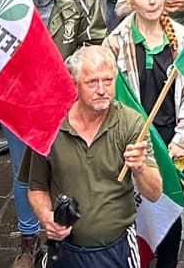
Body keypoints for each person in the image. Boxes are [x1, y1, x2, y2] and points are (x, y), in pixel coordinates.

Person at [2, 0, 105, 268]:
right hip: (18, 101)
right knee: (24, 172)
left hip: (64, 102)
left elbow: (95, 42)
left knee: (68, 167)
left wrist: (72, 75)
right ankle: (28, 238)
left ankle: (65, 230)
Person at [105, 0, 184, 267]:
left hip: (170, 143)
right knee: (131, 211)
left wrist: (182, 139)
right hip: (133, 140)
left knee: (168, 211)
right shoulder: (115, 42)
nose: (151, 1)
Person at [21, 47, 163, 268]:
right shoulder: (50, 124)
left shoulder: (132, 123)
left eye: (108, 81)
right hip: (63, 250)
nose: (101, 90)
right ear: (74, 82)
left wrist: (141, 168)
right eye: (92, 82)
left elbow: (154, 193)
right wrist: (46, 217)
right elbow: (37, 188)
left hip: (117, 250)